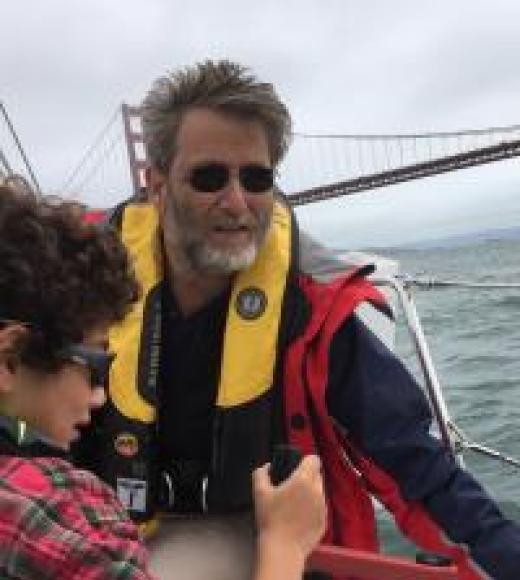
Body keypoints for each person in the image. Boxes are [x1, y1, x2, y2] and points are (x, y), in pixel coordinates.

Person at [73, 60, 520, 580]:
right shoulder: (81, 285)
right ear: (156, 185)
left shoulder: (309, 309)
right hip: (88, 519)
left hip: (252, 529)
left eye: (257, 178)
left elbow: (413, 460)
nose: (237, 202)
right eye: (209, 177)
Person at [0, 185, 327, 580]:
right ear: (11, 359)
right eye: (96, 364)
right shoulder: (52, 515)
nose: (101, 395)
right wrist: (285, 543)